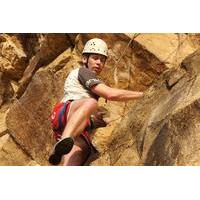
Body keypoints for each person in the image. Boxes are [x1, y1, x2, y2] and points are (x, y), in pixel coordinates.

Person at [48, 38, 144, 166]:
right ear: (85, 59)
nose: (99, 63)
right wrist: (143, 95)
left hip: (68, 124)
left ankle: (62, 146)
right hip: (65, 112)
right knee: (91, 103)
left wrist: (93, 121)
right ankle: (64, 139)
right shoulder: (83, 72)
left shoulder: (90, 79)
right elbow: (110, 94)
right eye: (95, 58)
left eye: (102, 60)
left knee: (82, 150)